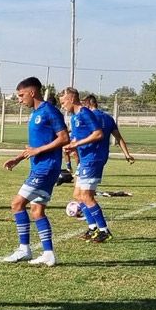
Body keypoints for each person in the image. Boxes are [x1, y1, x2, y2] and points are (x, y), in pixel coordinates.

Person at [2, 77, 69, 267]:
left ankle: (24, 249)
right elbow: (34, 146)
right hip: (41, 166)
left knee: (17, 204)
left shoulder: (49, 111)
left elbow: (64, 138)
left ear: (32, 92)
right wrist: (19, 158)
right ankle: (48, 254)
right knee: (37, 210)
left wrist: (37, 151)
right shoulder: (35, 114)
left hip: (46, 168)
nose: (20, 99)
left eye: (21, 95)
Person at [60, 87, 111, 243]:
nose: (62, 106)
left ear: (71, 99)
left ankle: (104, 231)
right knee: (78, 195)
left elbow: (98, 134)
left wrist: (78, 143)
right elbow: (77, 138)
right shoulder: (75, 117)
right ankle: (92, 228)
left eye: (63, 102)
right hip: (84, 159)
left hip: (93, 158)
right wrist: (70, 146)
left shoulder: (85, 113)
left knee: (87, 196)